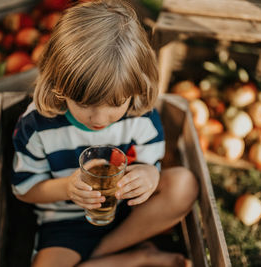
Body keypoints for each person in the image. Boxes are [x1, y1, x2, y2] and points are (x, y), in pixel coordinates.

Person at [11, 1, 199, 266]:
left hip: (128, 215)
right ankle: (134, 258)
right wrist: (68, 187)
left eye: (115, 104)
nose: (99, 119)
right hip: (66, 224)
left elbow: (151, 166)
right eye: (84, 104)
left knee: (183, 185)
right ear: (59, 86)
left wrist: (149, 175)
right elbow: (24, 189)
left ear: (136, 90)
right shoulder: (37, 126)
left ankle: (103, 256)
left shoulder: (141, 118)